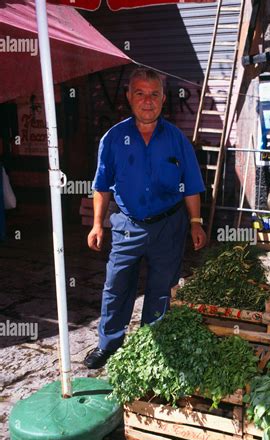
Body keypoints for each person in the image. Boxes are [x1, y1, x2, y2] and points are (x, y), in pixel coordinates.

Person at [84, 67, 206, 369]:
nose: (147, 101)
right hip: (127, 224)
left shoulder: (177, 140)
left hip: (169, 225)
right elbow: (101, 185)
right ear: (129, 97)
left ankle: (152, 344)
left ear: (163, 99)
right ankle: (109, 344)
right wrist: (98, 224)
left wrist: (195, 223)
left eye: (154, 95)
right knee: (116, 285)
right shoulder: (113, 138)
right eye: (140, 93)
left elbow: (191, 184)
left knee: (161, 288)